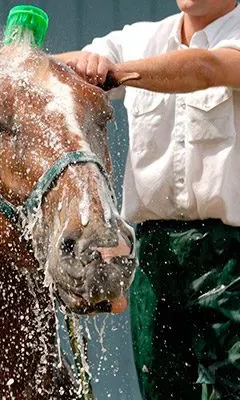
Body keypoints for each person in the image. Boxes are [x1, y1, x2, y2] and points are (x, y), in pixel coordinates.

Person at [56, 1, 240, 399]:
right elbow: (73, 66)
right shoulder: (138, 38)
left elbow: (205, 67)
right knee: (161, 392)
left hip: (231, 261)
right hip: (155, 258)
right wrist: (16, 64)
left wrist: (116, 74)